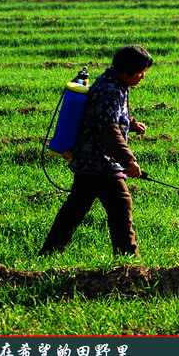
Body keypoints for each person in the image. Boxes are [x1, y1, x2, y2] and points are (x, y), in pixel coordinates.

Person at [38, 45, 153, 257]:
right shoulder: (110, 91)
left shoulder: (112, 83)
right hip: (101, 162)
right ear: (126, 70)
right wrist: (128, 161)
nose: (143, 76)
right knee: (121, 208)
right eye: (140, 72)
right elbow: (109, 129)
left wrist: (131, 123)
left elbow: (109, 115)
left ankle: (49, 252)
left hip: (87, 161)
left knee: (74, 210)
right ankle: (129, 259)